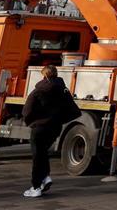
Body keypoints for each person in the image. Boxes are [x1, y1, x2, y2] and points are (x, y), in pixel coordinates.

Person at [22, 65, 79, 198]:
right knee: (42, 153)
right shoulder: (64, 90)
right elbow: (73, 109)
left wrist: (32, 122)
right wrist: (59, 120)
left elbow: (27, 110)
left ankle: (36, 187)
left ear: (44, 76)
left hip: (39, 128)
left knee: (37, 156)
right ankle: (45, 177)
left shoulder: (38, 91)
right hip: (55, 127)